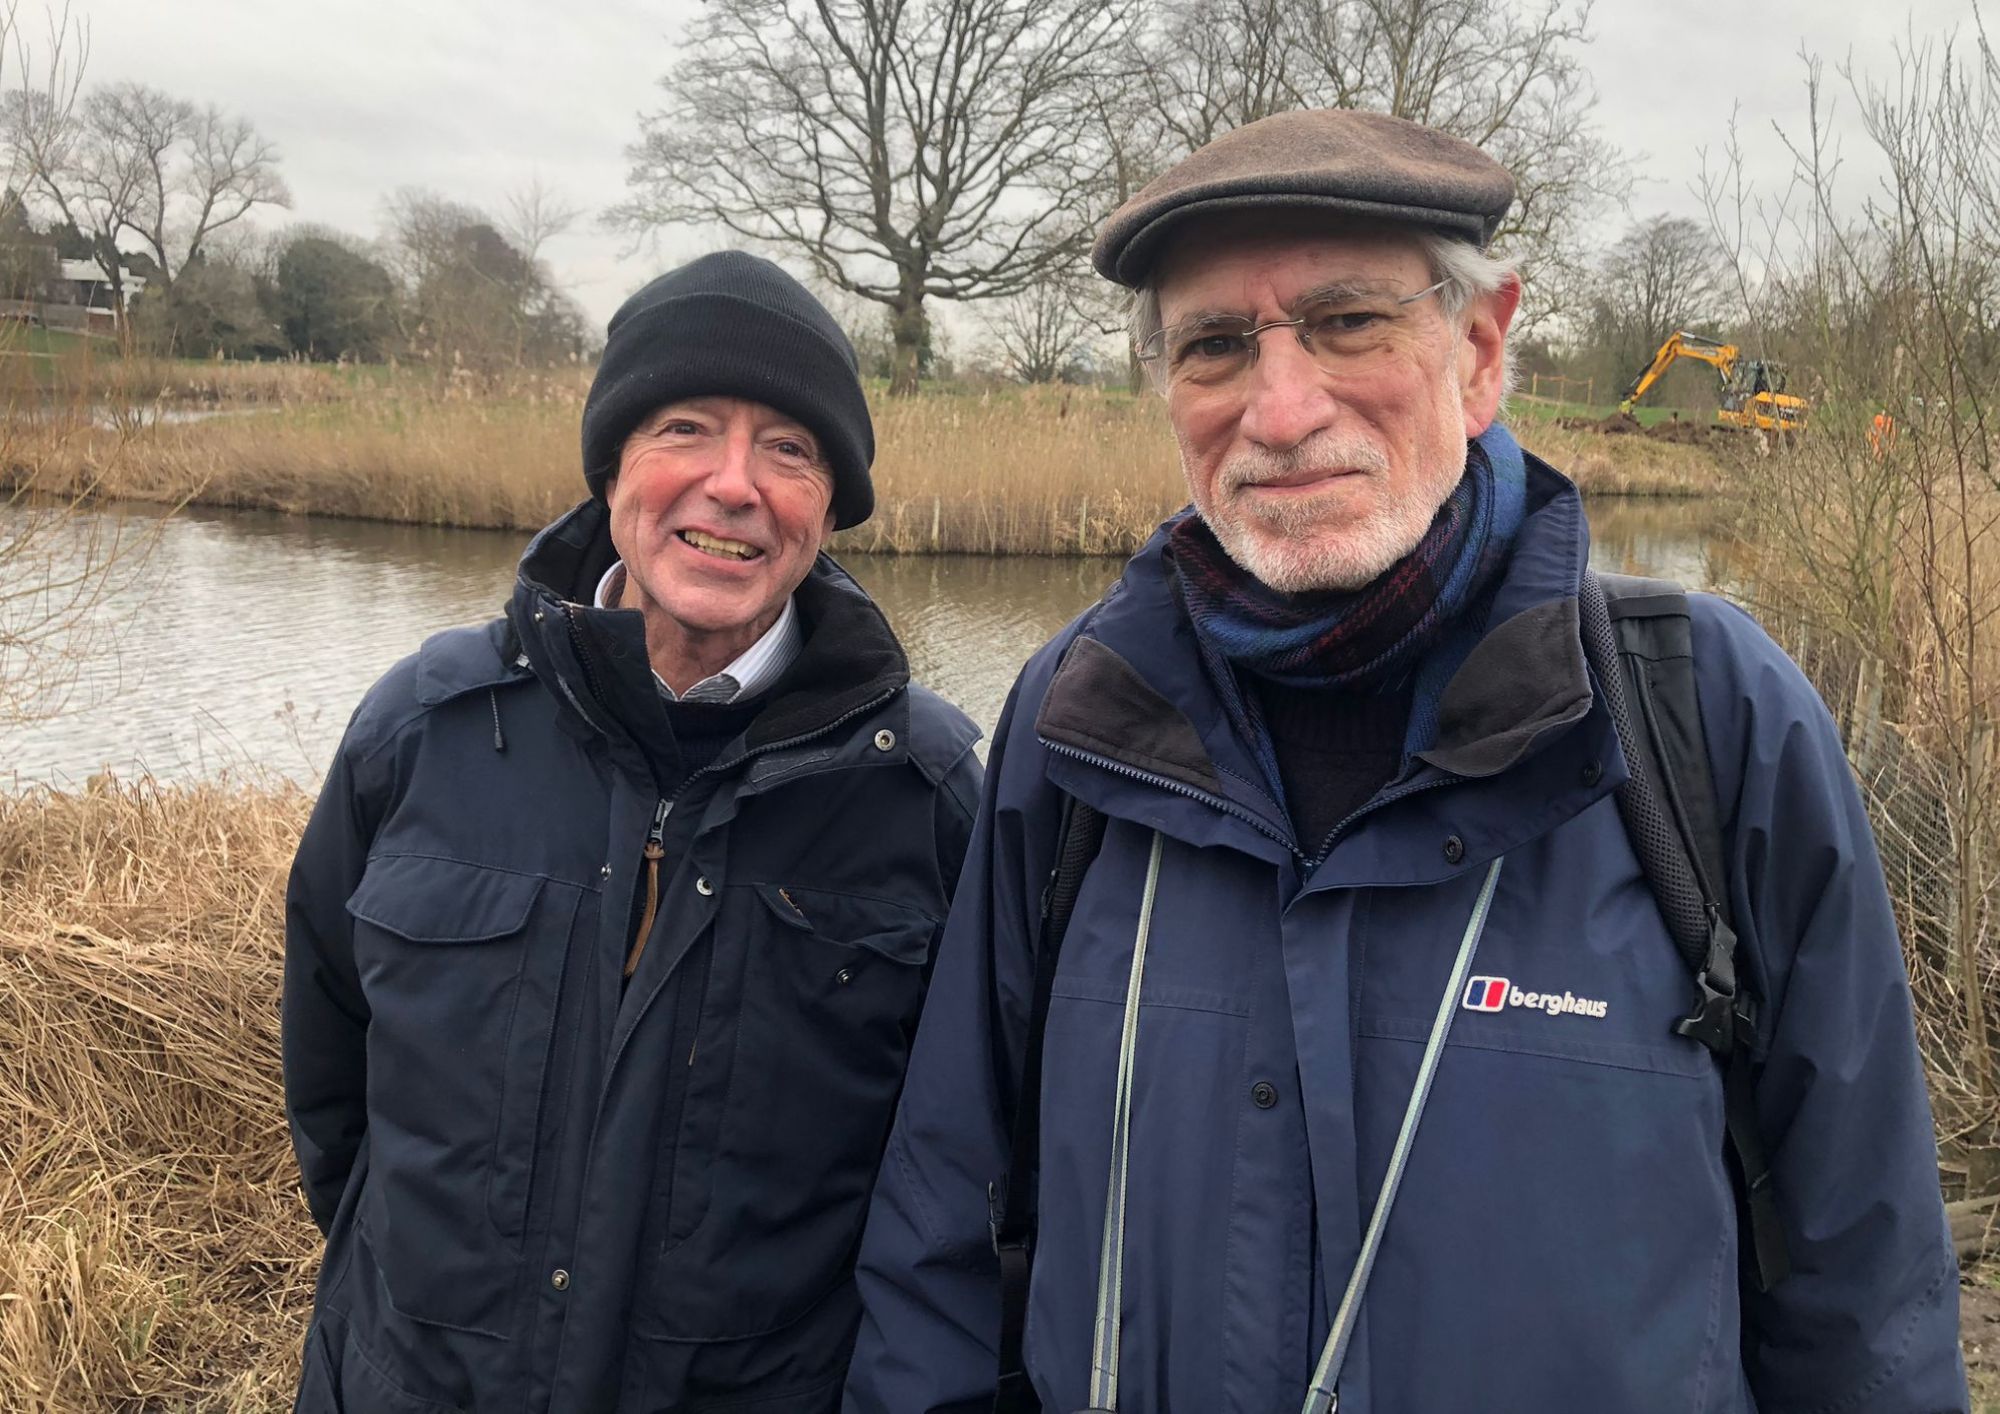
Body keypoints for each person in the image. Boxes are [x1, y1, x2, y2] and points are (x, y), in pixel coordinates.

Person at [844, 111, 1967, 1412]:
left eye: (1347, 324)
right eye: (1216, 345)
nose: (1281, 407)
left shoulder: (1712, 718)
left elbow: (1865, 1300)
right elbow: (942, 1227)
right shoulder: (1076, 717)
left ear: (1481, 350)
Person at [283, 251, 982, 1413]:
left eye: (790, 449)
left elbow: (959, 1178)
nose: (733, 484)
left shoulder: (925, 791)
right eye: (685, 428)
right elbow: (334, 1085)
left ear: (830, 503)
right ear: (613, 469)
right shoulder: (422, 730)